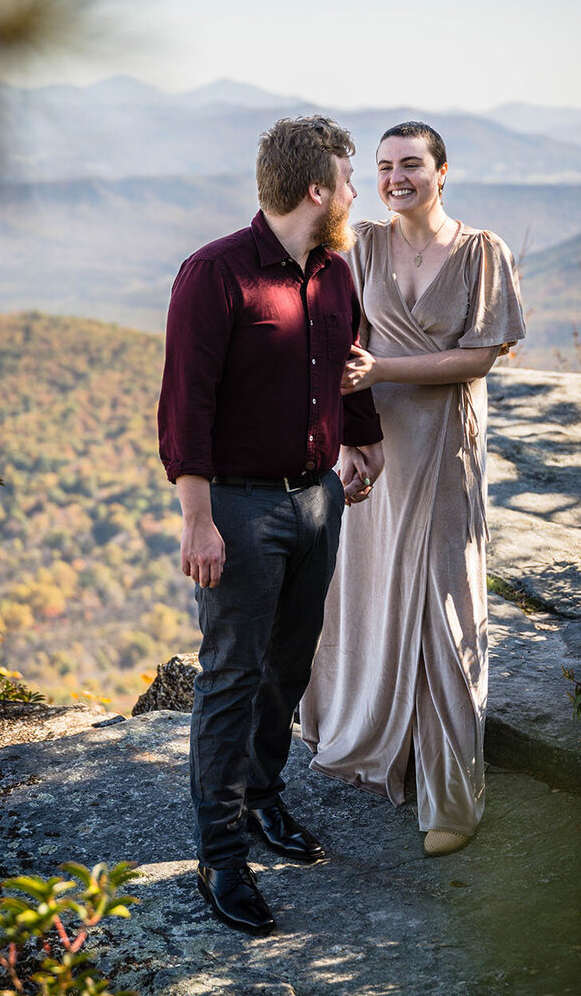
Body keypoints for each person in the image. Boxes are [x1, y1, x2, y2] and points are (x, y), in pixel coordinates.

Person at [157, 115, 384, 936]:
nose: (359, 195)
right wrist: (198, 518)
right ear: (317, 190)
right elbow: (187, 405)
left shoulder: (334, 273)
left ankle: (261, 797)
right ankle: (220, 855)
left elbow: (344, 360)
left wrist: (359, 437)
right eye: (350, 181)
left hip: (318, 497)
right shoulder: (215, 274)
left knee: (289, 663)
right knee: (229, 677)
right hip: (240, 507)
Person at [300, 121, 525, 857]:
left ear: (442, 171)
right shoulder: (363, 244)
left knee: (445, 604)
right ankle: (381, 744)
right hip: (377, 443)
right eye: (385, 166)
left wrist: (384, 372)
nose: (397, 177)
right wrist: (348, 438)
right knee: (372, 589)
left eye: (412, 164)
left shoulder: (481, 251)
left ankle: (451, 794)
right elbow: (339, 339)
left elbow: (481, 357)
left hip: (443, 446)